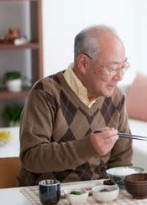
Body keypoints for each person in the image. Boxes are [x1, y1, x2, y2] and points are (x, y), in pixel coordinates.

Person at [18, 25, 133, 186]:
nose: (119, 77)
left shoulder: (116, 97)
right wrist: (88, 146)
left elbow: (122, 162)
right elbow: (32, 157)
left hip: (97, 195)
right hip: (47, 196)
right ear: (83, 63)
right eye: (113, 68)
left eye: (123, 67)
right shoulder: (45, 93)